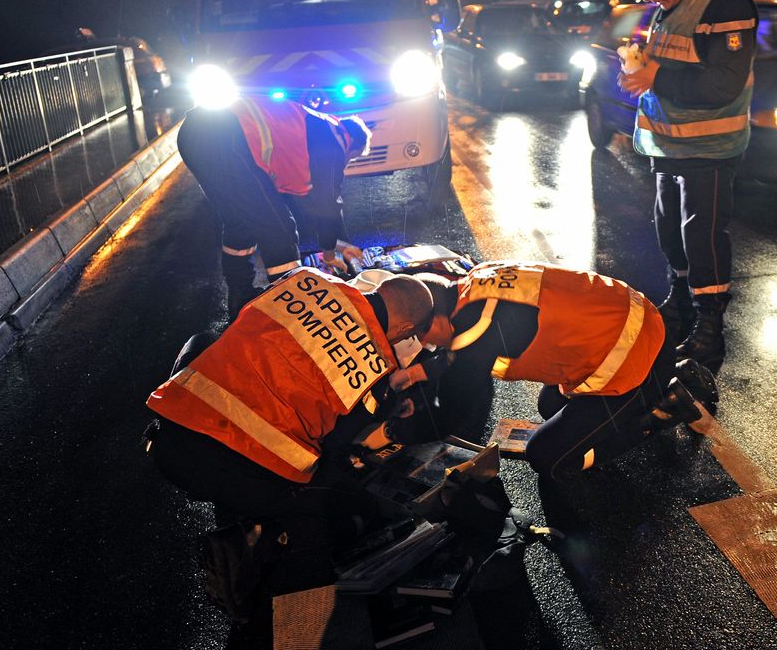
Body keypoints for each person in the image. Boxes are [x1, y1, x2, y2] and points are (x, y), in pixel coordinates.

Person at [144, 269, 433, 614]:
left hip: (173, 428)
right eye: (409, 335)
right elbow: (336, 447)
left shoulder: (306, 280)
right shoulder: (376, 368)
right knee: (312, 519)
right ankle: (252, 593)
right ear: (403, 330)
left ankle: (240, 522)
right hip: (220, 464)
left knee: (206, 344)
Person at [390, 262, 718, 481]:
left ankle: (660, 411)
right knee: (549, 407)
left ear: (437, 320)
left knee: (548, 458)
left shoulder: (476, 337)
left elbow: (448, 415)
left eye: (418, 335)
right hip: (641, 320)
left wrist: (392, 433)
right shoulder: (475, 281)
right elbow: (454, 357)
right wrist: (415, 374)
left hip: (632, 361)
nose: (421, 343)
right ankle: (667, 376)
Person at [619, 0, 758, 373]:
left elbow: (723, 84)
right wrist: (641, 69)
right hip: (670, 145)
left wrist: (656, 74)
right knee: (669, 229)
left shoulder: (725, 3)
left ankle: (709, 330)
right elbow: (677, 63)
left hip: (709, 147)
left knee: (702, 235)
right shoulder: (671, 5)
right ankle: (680, 304)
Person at [177, 96, 373, 315]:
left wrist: (334, 246)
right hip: (226, 134)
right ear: (352, 146)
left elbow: (312, 202)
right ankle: (295, 312)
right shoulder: (334, 141)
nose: (345, 164)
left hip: (193, 133)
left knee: (239, 222)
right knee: (280, 230)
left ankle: (239, 299)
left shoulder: (315, 124)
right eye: (351, 159)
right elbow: (328, 203)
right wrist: (330, 252)